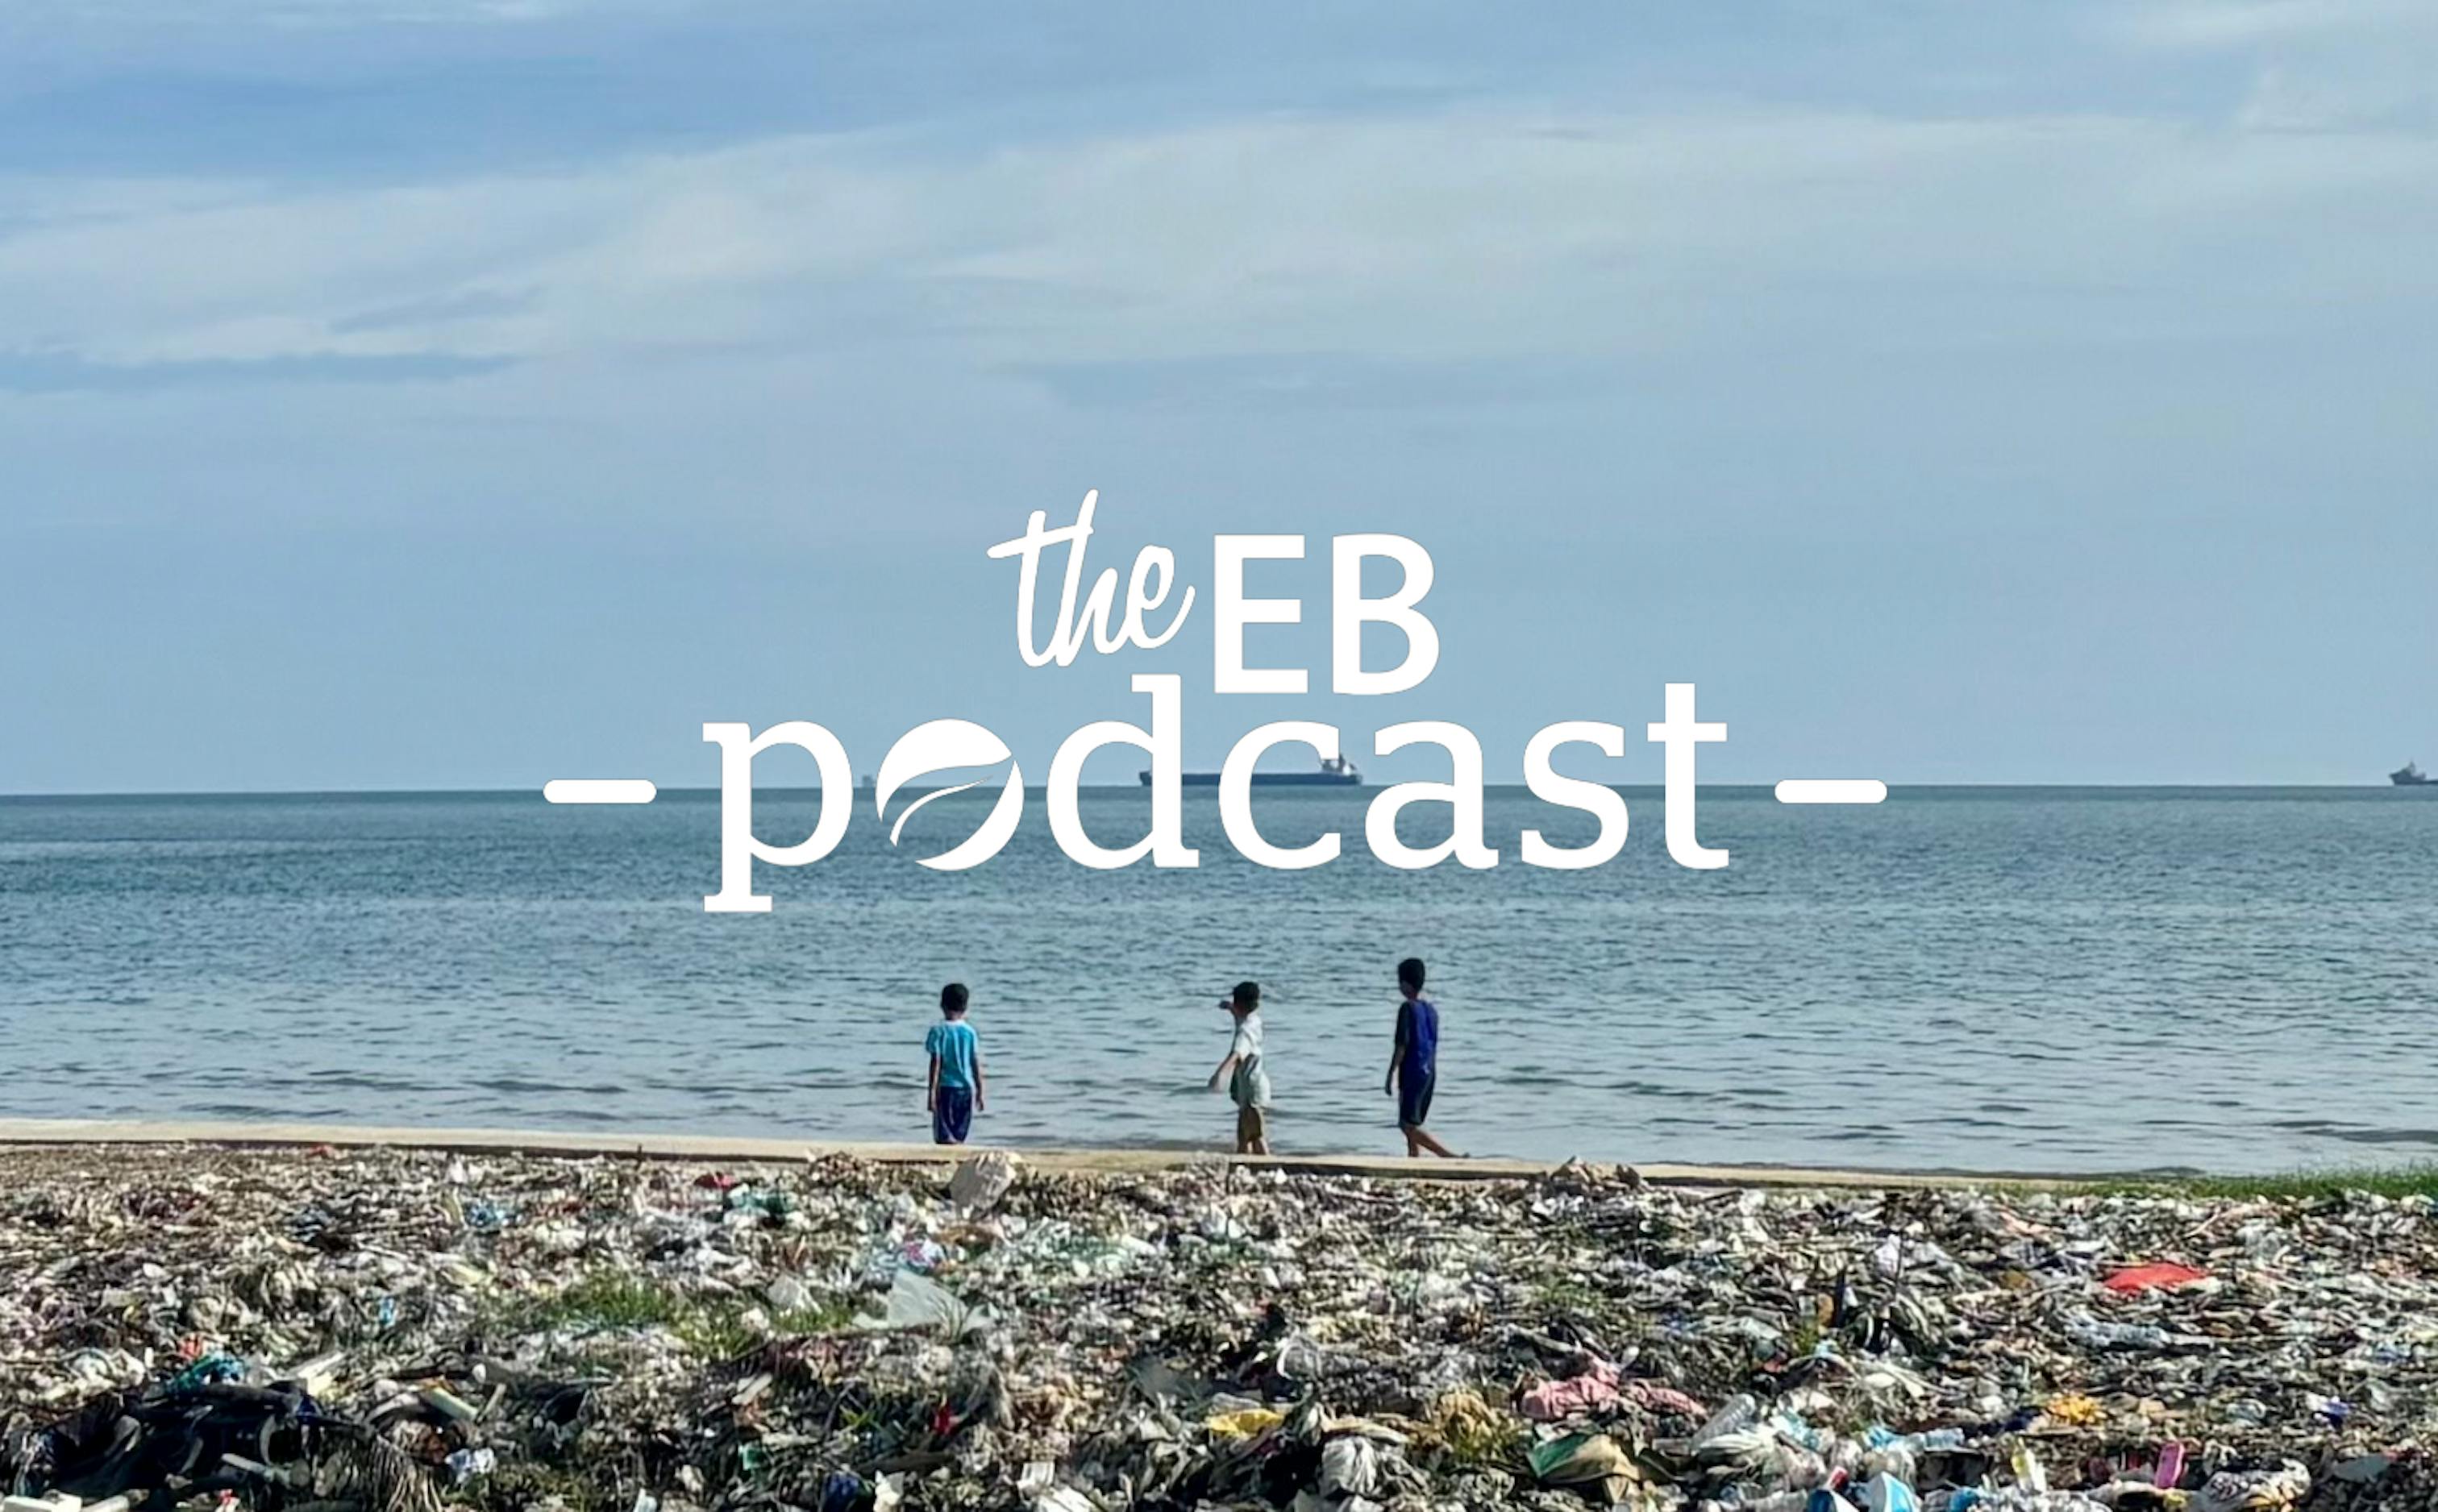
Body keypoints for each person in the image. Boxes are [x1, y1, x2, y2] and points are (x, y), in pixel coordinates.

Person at [1386, 957, 1457, 1157]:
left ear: (1405, 984)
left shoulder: (1407, 1009)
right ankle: (1414, 1159)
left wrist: (1390, 1073)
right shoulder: (1431, 1011)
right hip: (1429, 1070)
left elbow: (1401, 1045)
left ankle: (1447, 1155)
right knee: (1414, 1121)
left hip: (1412, 1070)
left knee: (1407, 1125)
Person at [1206, 979, 1271, 1154]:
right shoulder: (1254, 1020)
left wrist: (1219, 1074)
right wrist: (1229, 1008)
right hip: (1252, 1086)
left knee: (1255, 1135)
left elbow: (1236, 1056)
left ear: (1240, 1004)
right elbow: (1240, 1017)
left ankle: (1267, 1166)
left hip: (1251, 1091)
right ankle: (1247, 1166)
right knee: (1244, 1135)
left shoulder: (1244, 1034)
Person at [925, 982, 986, 1145]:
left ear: (942, 1005)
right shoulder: (970, 1032)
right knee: (960, 1133)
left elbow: (935, 1064)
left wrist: (931, 1092)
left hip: (945, 1088)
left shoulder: (938, 1031)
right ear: (966, 1007)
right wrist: (980, 1089)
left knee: (943, 1135)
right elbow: (975, 1063)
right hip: (966, 1088)